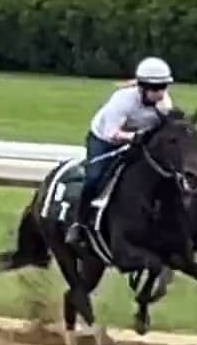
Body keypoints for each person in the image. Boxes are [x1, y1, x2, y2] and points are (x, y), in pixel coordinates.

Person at [67, 56, 173, 247]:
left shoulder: (164, 104)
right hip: (104, 140)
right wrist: (134, 137)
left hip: (138, 140)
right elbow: (112, 133)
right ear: (142, 87)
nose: (160, 93)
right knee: (95, 177)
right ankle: (79, 223)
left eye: (164, 87)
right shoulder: (123, 100)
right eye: (155, 89)